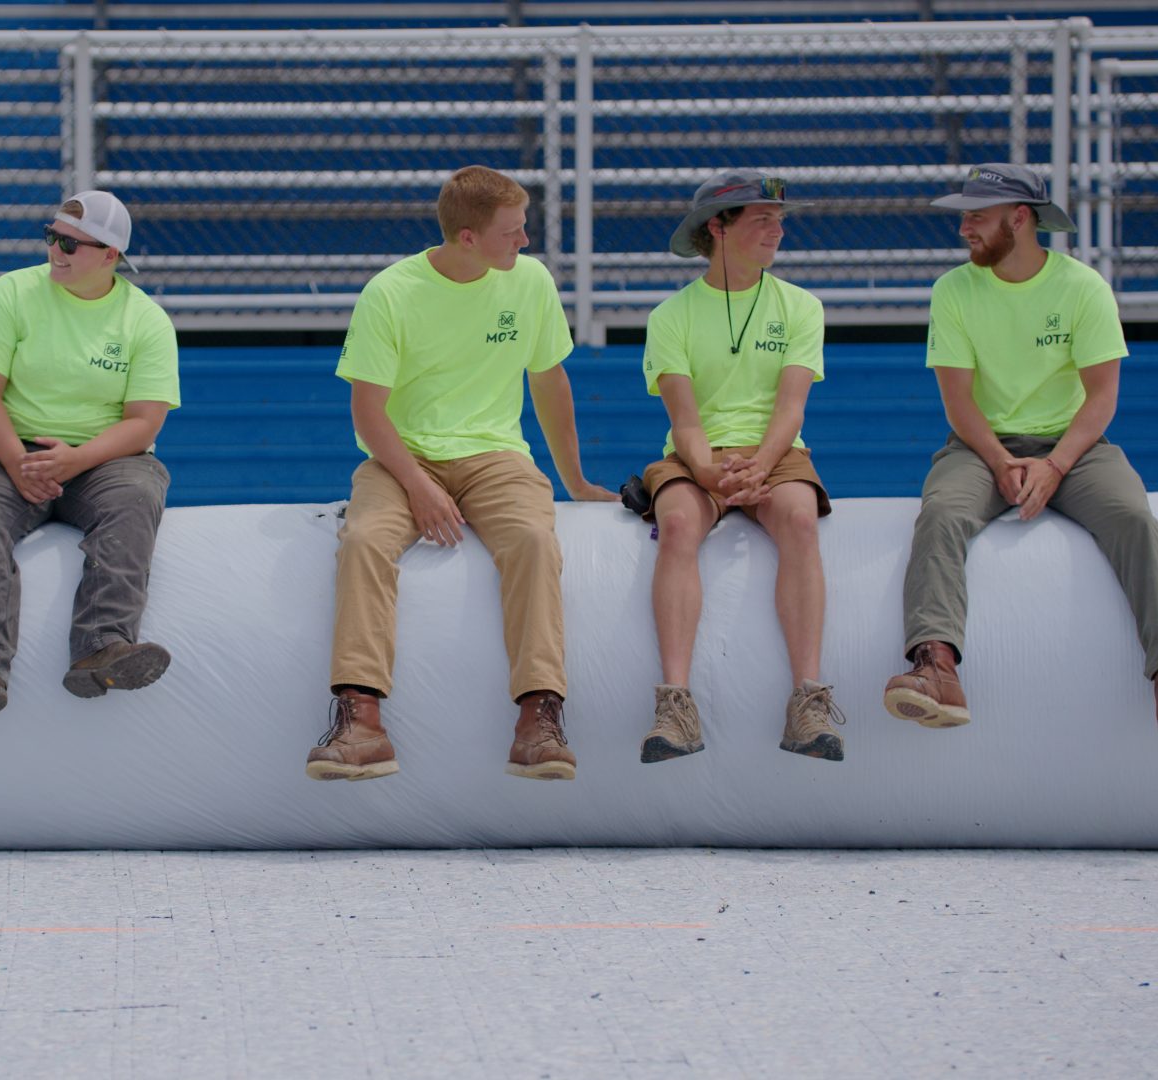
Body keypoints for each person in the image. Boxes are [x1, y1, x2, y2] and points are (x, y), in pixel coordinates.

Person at [884, 163, 1158, 743]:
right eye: (963, 215)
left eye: (977, 216)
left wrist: (1055, 464)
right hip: (981, 445)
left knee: (1133, 516)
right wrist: (998, 461)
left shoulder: (1083, 287)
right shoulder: (953, 290)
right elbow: (959, 403)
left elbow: (1102, 396)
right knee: (941, 514)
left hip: (1075, 447)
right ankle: (936, 669)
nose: (963, 227)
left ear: (1020, 219)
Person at [306, 164, 618, 784]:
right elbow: (368, 413)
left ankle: (539, 718)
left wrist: (577, 482)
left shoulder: (529, 282)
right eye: (513, 231)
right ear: (468, 238)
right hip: (402, 457)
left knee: (533, 541)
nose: (525, 242)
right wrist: (419, 487)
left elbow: (549, 382)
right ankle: (360, 721)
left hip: (497, 455)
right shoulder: (391, 293)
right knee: (365, 541)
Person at [0, 191, 178, 713]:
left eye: (71, 243)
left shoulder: (146, 320)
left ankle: (104, 647)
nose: (56, 249)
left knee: (137, 498)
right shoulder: (10, 292)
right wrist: (13, 461)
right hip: (10, 448)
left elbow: (144, 424)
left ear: (109, 255)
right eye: (52, 236)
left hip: (105, 458)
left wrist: (77, 459)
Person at [628, 169, 846, 764]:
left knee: (800, 520)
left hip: (776, 455)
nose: (777, 229)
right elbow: (686, 421)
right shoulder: (671, 316)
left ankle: (809, 700)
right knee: (675, 525)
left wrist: (762, 465)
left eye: (779, 220)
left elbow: (791, 408)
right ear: (717, 228)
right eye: (762, 220)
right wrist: (706, 472)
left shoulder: (802, 306)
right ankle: (674, 706)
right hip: (699, 456)